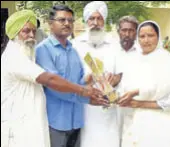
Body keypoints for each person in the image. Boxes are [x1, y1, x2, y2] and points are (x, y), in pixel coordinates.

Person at [1, 10, 104, 147]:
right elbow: (50, 80)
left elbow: (72, 80)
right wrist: (83, 92)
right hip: (25, 126)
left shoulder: (70, 50)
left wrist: (88, 81)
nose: (31, 35)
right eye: (26, 31)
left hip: (46, 122)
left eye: (33, 31)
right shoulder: (16, 56)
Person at [35, 5, 108, 147]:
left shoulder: (73, 50)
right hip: (57, 122)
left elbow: (79, 81)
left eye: (70, 20)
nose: (67, 24)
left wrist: (89, 79)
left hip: (77, 120)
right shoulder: (43, 50)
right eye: (62, 20)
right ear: (50, 23)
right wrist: (86, 96)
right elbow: (53, 85)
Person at [118, 21, 170, 147]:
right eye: (142, 36)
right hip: (135, 116)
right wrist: (122, 95)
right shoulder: (133, 59)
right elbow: (125, 84)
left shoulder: (166, 58)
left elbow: (166, 87)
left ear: (158, 37)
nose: (146, 40)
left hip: (159, 118)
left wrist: (137, 92)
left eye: (150, 35)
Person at [72, 1, 121, 147]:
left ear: (104, 21)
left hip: (109, 107)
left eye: (99, 18)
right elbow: (70, 77)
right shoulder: (75, 44)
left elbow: (123, 72)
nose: (95, 22)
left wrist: (116, 79)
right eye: (91, 19)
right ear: (86, 21)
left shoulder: (115, 44)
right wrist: (84, 81)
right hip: (85, 106)